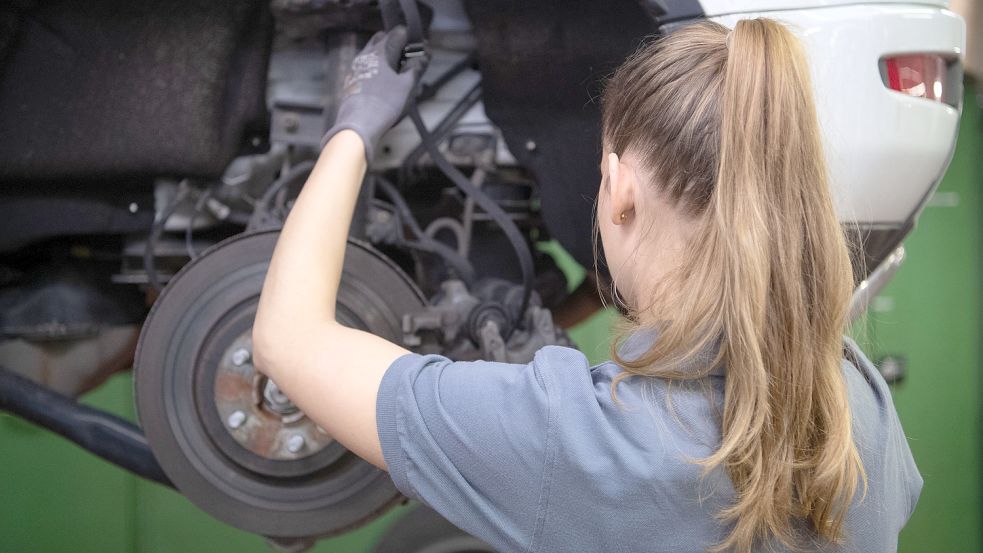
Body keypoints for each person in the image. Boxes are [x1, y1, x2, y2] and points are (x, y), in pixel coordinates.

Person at [252, 19, 921, 553]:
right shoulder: (858, 407)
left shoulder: (577, 441)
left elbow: (288, 339)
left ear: (620, 188)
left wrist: (353, 129)